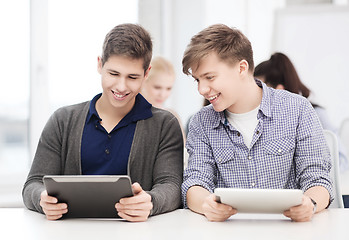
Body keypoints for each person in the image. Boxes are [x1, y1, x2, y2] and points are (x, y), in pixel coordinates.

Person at [22, 23, 183, 222]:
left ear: (147, 73)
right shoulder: (62, 120)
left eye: (132, 77)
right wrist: (42, 199)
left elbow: (172, 187)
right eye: (113, 74)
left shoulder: (165, 125)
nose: (121, 86)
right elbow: (33, 184)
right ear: (100, 64)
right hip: (70, 233)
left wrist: (151, 201)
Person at [181, 24, 333, 222]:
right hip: (227, 231)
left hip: (288, 230)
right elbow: (195, 181)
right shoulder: (201, 122)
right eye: (197, 80)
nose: (202, 89)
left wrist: (310, 204)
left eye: (209, 77)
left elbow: (318, 178)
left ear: (241, 68)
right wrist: (205, 204)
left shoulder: (297, 109)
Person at [254, 52, 348, 172]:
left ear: (278, 90)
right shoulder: (261, 119)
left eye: (259, 88)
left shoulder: (314, 114)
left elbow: (341, 161)